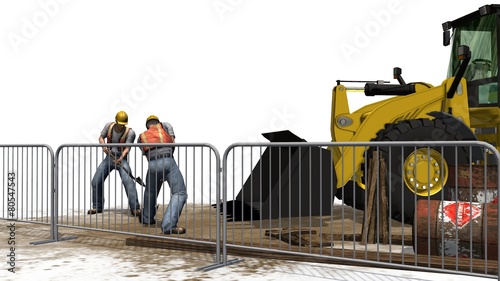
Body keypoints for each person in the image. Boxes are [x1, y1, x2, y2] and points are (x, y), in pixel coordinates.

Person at [138, 115, 187, 235]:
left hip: (152, 164)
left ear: (147, 125)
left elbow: (144, 151)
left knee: (150, 192)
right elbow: (172, 142)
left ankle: (147, 219)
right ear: (158, 122)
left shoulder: (142, 136)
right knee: (179, 193)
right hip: (167, 160)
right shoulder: (165, 126)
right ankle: (168, 225)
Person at [88, 111, 141, 216]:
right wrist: (103, 146)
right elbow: (101, 138)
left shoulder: (130, 133)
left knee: (128, 182)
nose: (121, 126)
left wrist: (121, 158)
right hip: (109, 159)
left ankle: (135, 208)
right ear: (116, 121)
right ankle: (97, 207)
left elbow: (127, 148)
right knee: (95, 181)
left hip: (122, 160)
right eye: (120, 124)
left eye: (123, 125)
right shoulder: (109, 126)